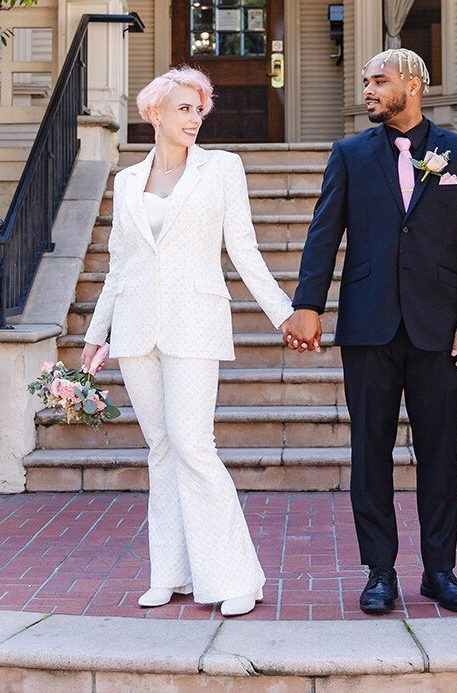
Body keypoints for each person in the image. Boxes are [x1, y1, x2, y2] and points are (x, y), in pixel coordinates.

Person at [284, 48, 457, 615]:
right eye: (366, 82)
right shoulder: (350, 154)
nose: (369, 90)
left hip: (439, 330)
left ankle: (440, 572)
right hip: (369, 325)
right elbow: (323, 233)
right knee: (370, 451)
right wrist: (308, 304)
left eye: (380, 80)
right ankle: (379, 572)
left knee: (439, 454)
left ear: (415, 84)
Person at [81, 66, 294, 618]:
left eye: (200, 109)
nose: (195, 118)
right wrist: (95, 333)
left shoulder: (222, 168)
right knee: (161, 450)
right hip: (135, 327)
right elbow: (117, 267)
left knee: (194, 446)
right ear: (154, 113)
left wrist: (284, 315)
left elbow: (243, 250)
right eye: (183, 108)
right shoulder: (127, 181)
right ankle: (169, 573)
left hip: (195, 322)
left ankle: (234, 577)